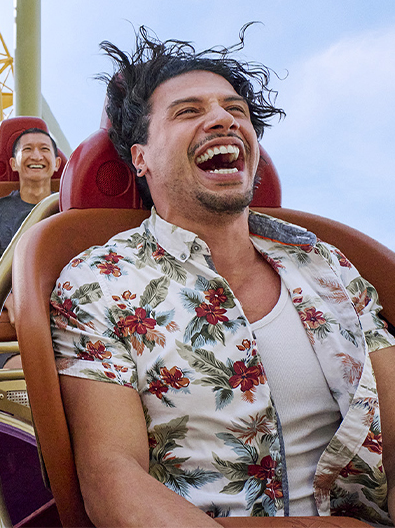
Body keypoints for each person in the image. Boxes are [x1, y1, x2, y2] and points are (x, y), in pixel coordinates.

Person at [50, 28, 395, 525]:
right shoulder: (98, 281)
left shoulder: (328, 265)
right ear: (140, 157)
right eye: (188, 111)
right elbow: (111, 478)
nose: (222, 120)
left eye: (236, 111)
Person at [0, 128, 61, 281]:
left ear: (57, 164)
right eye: (27, 149)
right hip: (18, 297)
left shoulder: (70, 208)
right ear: (13, 164)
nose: (36, 156)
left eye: (44, 149)